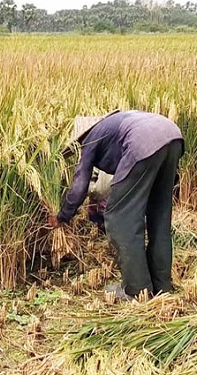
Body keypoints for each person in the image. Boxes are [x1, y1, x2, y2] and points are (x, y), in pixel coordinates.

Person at [55, 110, 184, 300]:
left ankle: (137, 290)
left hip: (143, 144)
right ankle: (162, 285)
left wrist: (63, 216)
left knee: (119, 219)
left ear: (80, 137)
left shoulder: (90, 139)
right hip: (172, 136)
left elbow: (80, 186)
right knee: (159, 217)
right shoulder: (113, 125)